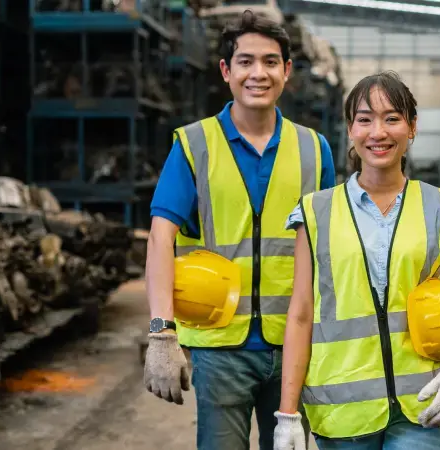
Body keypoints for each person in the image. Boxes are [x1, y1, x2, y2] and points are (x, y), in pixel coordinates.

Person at [271, 71, 440, 450]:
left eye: (392, 118)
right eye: (365, 119)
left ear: (412, 127)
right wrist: (287, 414)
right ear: (351, 129)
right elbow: (301, 314)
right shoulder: (315, 212)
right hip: (341, 411)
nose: (378, 132)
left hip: (422, 405)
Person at [142, 9, 336, 450]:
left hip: (294, 342)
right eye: (245, 61)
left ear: (287, 71)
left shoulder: (314, 149)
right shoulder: (194, 145)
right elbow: (160, 238)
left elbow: (330, 247)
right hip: (219, 345)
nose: (258, 73)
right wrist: (160, 331)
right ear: (226, 71)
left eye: (270, 62)